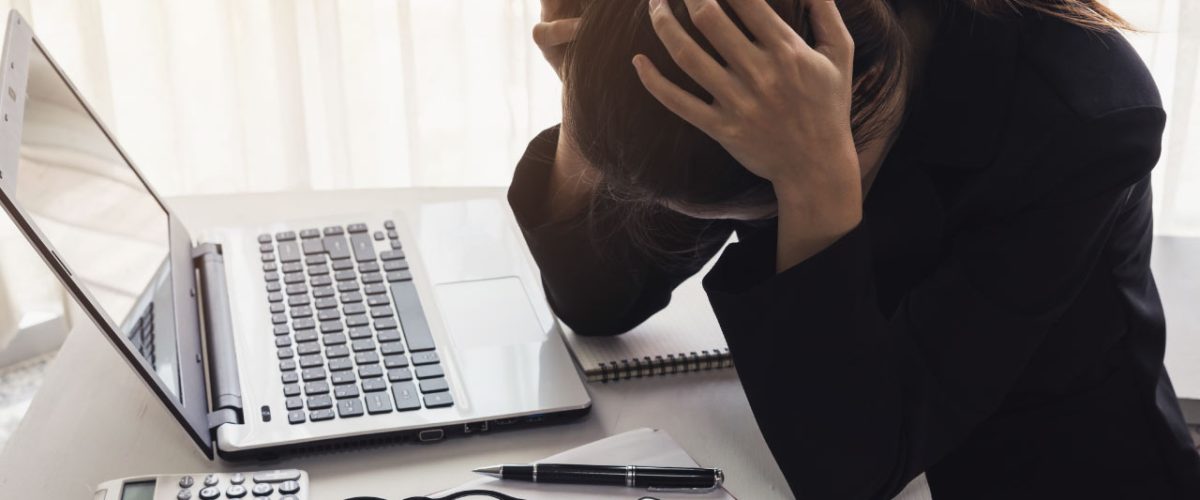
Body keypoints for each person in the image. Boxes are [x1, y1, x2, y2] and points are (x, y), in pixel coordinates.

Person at [511, 0, 1200, 498]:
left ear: (855, 90)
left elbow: (850, 473)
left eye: (746, 213)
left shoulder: (1083, 116)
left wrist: (815, 184)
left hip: (1056, 465)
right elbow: (598, 302)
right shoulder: (755, 46)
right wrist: (586, 100)